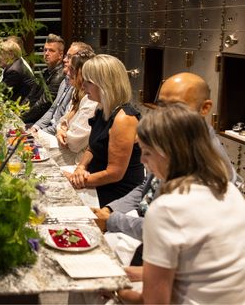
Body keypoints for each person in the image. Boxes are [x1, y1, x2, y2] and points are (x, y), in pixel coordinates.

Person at [117, 103, 245, 304]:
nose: (142, 160)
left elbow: (154, 302)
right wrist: (135, 273)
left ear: (169, 154)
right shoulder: (230, 192)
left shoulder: (167, 208)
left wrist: (114, 290)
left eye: (147, 152)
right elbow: (204, 269)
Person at [94, 72, 238, 241]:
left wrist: (113, 221)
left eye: (176, 106)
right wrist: (110, 210)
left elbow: (168, 230)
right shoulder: (175, 138)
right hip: (142, 223)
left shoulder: (206, 164)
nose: (164, 113)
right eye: (161, 105)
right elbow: (148, 186)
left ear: (205, 108)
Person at [65, 54, 144, 207]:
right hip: (97, 181)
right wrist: (81, 167)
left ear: (104, 85)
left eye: (88, 82)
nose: (83, 86)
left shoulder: (124, 119)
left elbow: (115, 174)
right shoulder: (101, 108)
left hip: (116, 193)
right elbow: (92, 147)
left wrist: (77, 180)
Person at [32, 42, 94, 135]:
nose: (65, 60)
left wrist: (39, 134)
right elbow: (52, 109)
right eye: (66, 56)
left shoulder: (85, 93)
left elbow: (70, 133)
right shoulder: (65, 80)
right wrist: (35, 128)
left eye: (69, 57)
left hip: (55, 134)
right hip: (51, 131)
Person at [53, 50, 98, 166]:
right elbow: (62, 121)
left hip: (77, 160)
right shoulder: (78, 93)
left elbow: (73, 143)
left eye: (72, 69)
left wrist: (63, 130)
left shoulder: (91, 100)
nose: (68, 73)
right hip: (71, 153)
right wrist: (60, 130)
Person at [22, 34, 66, 124]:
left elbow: (43, 104)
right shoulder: (45, 72)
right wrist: (18, 111)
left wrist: (21, 118)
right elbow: (31, 96)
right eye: (45, 50)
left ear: (60, 55)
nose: (46, 53)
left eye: (51, 51)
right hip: (34, 118)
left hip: (45, 122)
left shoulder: (60, 75)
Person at [0, 38, 43, 107]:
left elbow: (0, 93)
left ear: (11, 55)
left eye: (1, 54)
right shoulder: (16, 64)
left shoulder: (14, 71)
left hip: (23, 110)